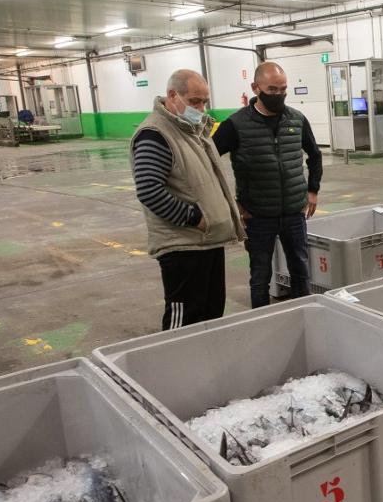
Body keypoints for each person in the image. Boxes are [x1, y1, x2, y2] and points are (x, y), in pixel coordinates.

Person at [130, 69, 245, 330]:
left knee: (211, 313)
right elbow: (149, 190)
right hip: (184, 246)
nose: (201, 108)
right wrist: (196, 218)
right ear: (173, 95)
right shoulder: (155, 134)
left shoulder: (191, 130)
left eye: (204, 102)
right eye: (195, 101)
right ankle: (177, 358)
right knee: (184, 322)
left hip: (208, 241)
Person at [212, 61, 323, 308]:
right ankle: (261, 319)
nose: (278, 95)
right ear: (256, 88)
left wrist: (312, 190)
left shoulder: (296, 119)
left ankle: (304, 314)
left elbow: (315, 155)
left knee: (301, 270)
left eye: (283, 89)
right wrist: (231, 203)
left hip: (294, 212)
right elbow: (207, 163)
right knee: (260, 276)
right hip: (258, 215)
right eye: (272, 90)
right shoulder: (236, 125)